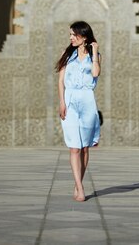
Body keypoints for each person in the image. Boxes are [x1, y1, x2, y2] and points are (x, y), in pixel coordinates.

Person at [55, 21, 101, 202]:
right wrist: (62, 102)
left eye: (74, 35)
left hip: (88, 100)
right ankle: (80, 187)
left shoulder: (94, 56)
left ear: (84, 36)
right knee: (74, 147)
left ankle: (77, 183)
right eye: (70, 35)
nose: (71, 38)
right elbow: (60, 81)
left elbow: (95, 74)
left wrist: (95, 53)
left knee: (84, 147)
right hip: (70, 101)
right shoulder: (67, 55)